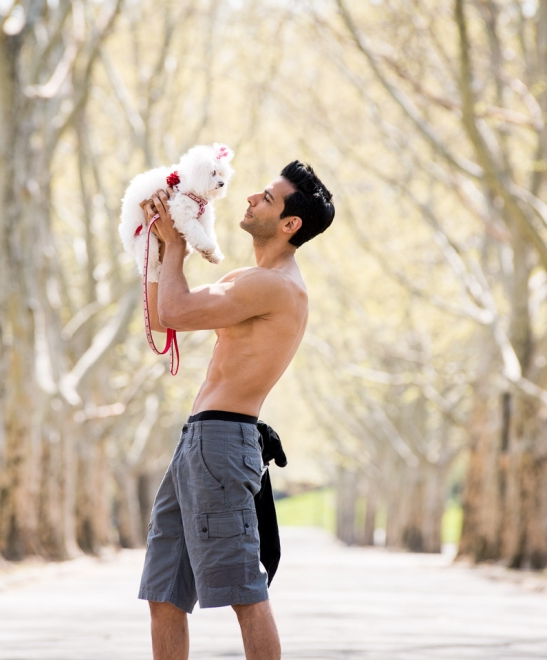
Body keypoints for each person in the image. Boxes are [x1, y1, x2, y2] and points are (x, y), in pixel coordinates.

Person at [137, 161, 334, 660]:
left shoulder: (275, 285)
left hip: (223, 442)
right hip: (199, 440)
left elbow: (176, 312)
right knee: (164, 592)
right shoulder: (249, 278)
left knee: (243, 589)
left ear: (291, 225)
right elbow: (165, 318)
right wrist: (163, 243)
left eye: (267, 198)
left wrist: (178, 244)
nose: (249, 198)